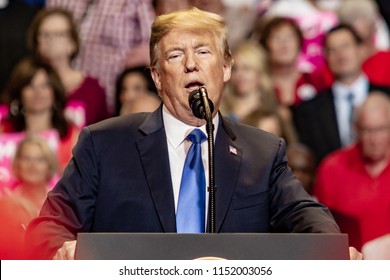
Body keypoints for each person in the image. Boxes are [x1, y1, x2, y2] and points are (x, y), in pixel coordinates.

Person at [25, 7, 361, 260]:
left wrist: (333, 250)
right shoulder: (104, 144)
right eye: (175, 55)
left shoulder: (262, 151)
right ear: (157, 77)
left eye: (203, 52)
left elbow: (307, 218)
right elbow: (47, 227)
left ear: (226, 67)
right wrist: (62, 250)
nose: (191, 64)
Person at [293, 24, 390, 163]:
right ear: (326, 58)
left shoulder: (387, 97)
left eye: (345, 46)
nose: (340, 54)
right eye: (332, 50)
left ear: (361, 50)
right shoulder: (308, 111)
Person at [45, 0, 156, 113]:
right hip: (65, 97)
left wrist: (130, 62)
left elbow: (153, 44)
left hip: (112, 99)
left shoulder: (133, 2)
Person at [313, 92, 390, 253]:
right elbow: (321, 228)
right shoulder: (332, 168)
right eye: (368, 130)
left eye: (381, 129)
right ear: (356, 130)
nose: (375, 140)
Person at [27, 7, 109, 127]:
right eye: (44, 34)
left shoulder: (92, 90)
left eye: (58, 34)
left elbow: (105, 134)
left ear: (73, 43)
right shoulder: (26, 84)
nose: (50, 40)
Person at [1, 57, 80, 173]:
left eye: (44, 85)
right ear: (19, 92)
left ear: (55, 90)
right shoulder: (4, 132)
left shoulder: (72, 136)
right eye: (30, 85)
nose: (38, 92)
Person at [0, 135, 58, 259]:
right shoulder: (4, 203)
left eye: (40, 159)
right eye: (26, 158)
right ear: (17, 164)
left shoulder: (60, 203)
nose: (33, 165)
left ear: (49, 165)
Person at [220, 41, 277, 122]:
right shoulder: (220, 111)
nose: (239, 74)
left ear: (260, 72)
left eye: (246, 68)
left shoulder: (274, 112)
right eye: (235, 69)